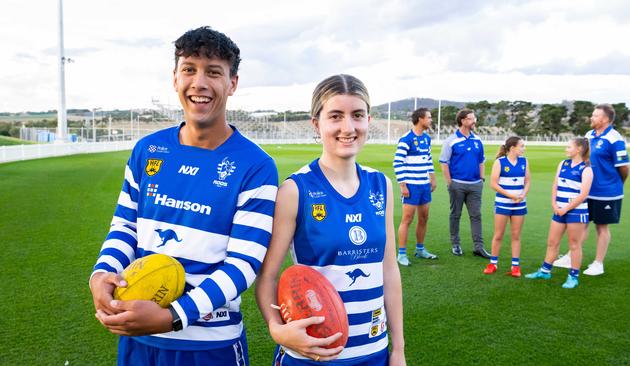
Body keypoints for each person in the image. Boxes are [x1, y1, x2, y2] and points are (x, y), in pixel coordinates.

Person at [89, 26, 279, 365]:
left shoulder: (256, 166)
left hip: (209, 346)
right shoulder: (148, 150)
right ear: (175, 78)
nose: (199, 83)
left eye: (214, 72)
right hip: (139, 340)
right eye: (189, 69)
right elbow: (124, 228)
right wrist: (103, 274)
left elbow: (243, 265)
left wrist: (172, 316)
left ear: (232, 84)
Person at [255, 74, 406, 365]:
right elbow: (268, 276)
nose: (348, 128)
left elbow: (389, 270)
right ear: (317, 123)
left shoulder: (381, 185)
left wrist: (397, 348)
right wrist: (278, 330)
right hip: (313, 354)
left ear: (368, 120)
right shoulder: (295, 190)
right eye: (335, 116)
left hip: (373, 352)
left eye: (357, 115)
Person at [553, 104, 630, 276]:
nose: (591, 118)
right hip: (586, 191)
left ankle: (598, 263)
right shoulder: (588, 135)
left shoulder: (614, 138)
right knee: (582, 224)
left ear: (605, 119)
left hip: (607, 192)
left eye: (595, 115)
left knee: (601, 227)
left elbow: (624, 167)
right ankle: (571, 256)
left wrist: (615, 185)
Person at [526, 138, 593, 289]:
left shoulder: (586, 169)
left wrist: (566, 208)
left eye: (569, 147)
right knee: (552, 242)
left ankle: (573, 277)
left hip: (576, 212)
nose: (566, 149)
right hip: (559, 210)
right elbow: (555, 185)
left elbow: (583, 195)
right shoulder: (563, 164)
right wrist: (554, 204)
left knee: (574, 245)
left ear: (579, 149)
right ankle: (544, 271)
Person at [439, 108, 490, 258]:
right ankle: (456, 244)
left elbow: (481, 160)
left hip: (475, 185)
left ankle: (479, 247)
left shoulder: (477, 140)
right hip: (457, 184)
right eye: (471, 119)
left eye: (474, 119)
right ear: (463, 121)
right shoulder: (451, 140)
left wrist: (481, 178)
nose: (474, 121)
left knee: (476, 215)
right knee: (456, 215)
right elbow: (444, 162)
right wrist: (450, 183)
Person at [393, 107, 438, 266]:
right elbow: (397, 162)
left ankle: (420, 250)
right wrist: (403, 185)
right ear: (420, 119)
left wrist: (432, 178)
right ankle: (401, 254)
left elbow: (428, 159)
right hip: (411, 186)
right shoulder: (406, 139)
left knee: (424, 218)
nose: (431, 120)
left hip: (424, 185)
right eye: (429, 117)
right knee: (407, 219)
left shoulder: (426, 139)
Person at [483, 136, 530, 277]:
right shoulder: (500, 162)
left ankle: (515, 266)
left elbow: (527, 181)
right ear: (512, 148)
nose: (524, 148)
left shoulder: (524, 161)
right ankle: (493, 263)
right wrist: (511, 196)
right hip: (503, 203)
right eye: (521, 146)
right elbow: (493, 184)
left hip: (519, 205)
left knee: (516, 235)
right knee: (498, 235)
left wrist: (522, 195)